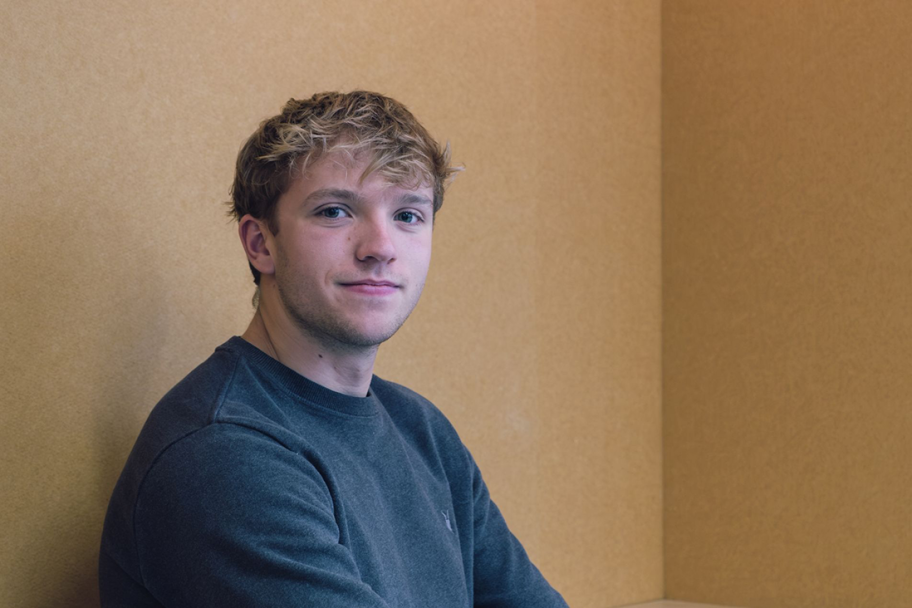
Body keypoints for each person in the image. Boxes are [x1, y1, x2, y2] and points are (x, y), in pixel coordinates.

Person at [99, 91, 568, 607]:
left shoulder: (421, 430)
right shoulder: (226, 456)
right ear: (261, 244)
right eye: (336, 211)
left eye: (409, 215)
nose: (381, 247)